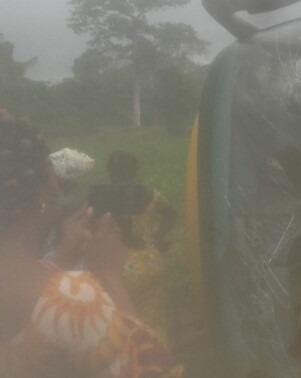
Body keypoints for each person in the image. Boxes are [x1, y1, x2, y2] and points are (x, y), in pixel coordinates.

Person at [0, 109, 182, 377]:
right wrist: (107, 275)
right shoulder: (75, 301)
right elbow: (151, 371)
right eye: (51, 172)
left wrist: (60, 257)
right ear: (40, 195)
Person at [106, 150, 176, 346]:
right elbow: (171, 214)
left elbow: (122, 224)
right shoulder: (151, 193)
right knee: (155, 321)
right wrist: (157, 237)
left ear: (111, 171)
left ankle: (134, 364)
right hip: (152, 261)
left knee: (125, 323)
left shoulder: (111, 197)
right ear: (135, 170)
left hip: (123, 267)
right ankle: (160, 361)